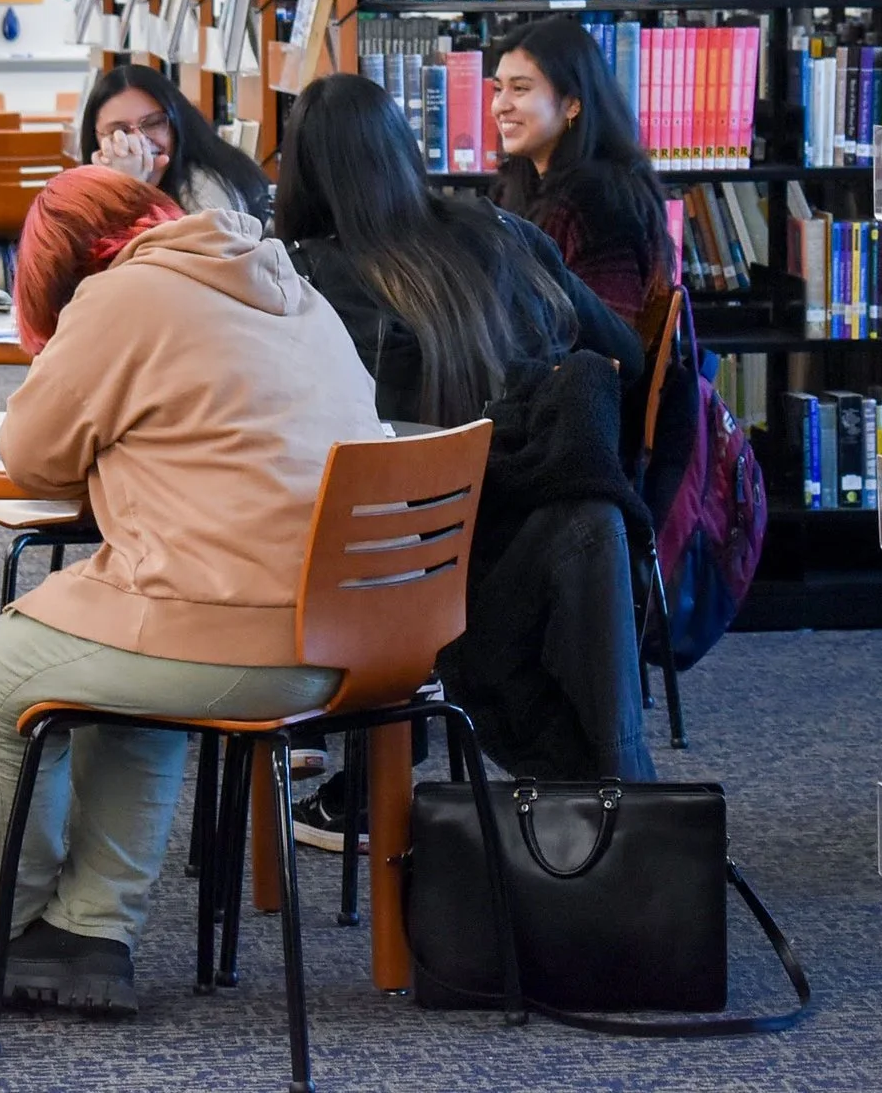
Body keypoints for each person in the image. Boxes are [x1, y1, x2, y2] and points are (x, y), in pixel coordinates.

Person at [0, 168, 382, 1017]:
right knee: (129, 644)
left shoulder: (125, 295)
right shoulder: (291, 284)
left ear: (62, 269)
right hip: (366, 640)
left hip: (246, 641)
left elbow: (32, 453)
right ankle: (92, 928)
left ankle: (10, 922)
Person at [275, 73, 655, 846]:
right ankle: (631, 818)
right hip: (538, 560)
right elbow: (622, 355)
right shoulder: (500, 231)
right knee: (592, 515)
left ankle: (370, 772)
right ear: (403, 154)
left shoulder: (297, 284)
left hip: (387, 587)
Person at [489, 14, 676, 329]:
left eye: (519, 89)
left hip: (576, 376)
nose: (500, 106)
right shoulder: (521, 185)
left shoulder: (600, 200)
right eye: (498, 89)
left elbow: (609, 337)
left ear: (572, 104)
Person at [77, 62, 272, 219]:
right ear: (96, 140)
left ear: (177, 123)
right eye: (119, 131)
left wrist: (130, 191)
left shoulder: (206, 192)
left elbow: (161, 266)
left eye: (153, 123)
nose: (140, 142)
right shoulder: (86, 193)